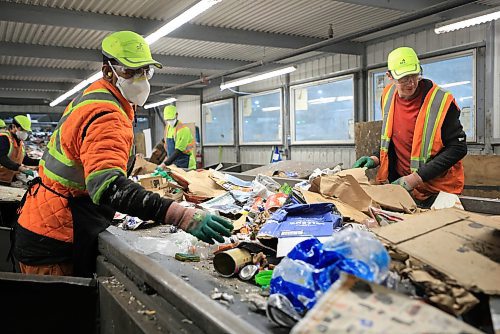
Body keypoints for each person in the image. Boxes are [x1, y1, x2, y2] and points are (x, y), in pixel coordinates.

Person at [14, 31, 232, 277]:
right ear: (108, 71)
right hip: (56, 233)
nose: (140, 79)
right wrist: (180, 215)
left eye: (145, 71)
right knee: (56, 313)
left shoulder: (94, 97)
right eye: (130, 71)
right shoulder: (106, 113)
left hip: (47, 218)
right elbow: (109, 187)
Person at [353, 46, 467, 207]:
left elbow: (458, 147)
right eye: (404, 78)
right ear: (389, 76)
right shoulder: (388, 95)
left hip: (437, 190)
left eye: (414, 75)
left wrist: (415, 178)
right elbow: (392, 137)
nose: (411, 83)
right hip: (401, 186)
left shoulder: (441, 102)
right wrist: (374, 158)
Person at [0, 115, 39, 186]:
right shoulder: (3, 138)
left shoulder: (20, 142)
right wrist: (20, 168)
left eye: (26, 131)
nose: (24, 132)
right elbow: (2, 158)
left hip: (9, 181)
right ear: (13, 126)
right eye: (22, 129)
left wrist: (41, 162)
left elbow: (25, 160)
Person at [159, 105, 196, 170]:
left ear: (176, 115)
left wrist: (165, 164)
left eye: (171, 119)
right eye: (168, 120)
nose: (169, 121)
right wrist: (166, 160)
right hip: (174, 163)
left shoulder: (183, 130)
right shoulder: (168, 128)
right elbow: (168, 148)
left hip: (186, 164)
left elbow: (178, 151)